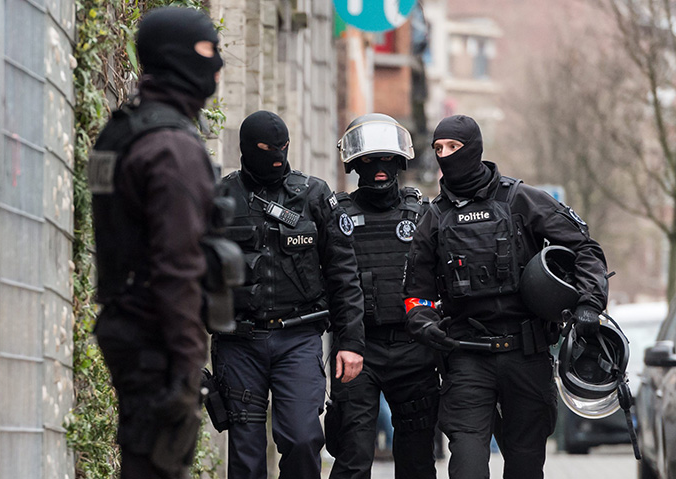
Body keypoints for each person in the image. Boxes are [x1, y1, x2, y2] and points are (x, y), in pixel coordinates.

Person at [403, 114, 609, 479]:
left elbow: (585, 248)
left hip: (526, 354)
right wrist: (423, 323)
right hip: (466, 357)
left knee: (525, 465)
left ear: (475, 149)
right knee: (466, 465)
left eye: (453, 147)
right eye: (438, 148)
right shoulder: (433, 218)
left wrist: (590, 304)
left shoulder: (522, 200)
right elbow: (416, 293)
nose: (445, 155)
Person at [87, 7, 225, 479]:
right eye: (209, 51)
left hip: (126, 323)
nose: (219, 66)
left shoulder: (122, 131)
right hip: (155, 336)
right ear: (179, 57)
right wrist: (189, 366)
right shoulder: (173, 147)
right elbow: (178, 265)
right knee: (157, 465)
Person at [214, 110, 365, 479]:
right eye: (267, 148)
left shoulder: (314, 195)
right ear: (247, 149)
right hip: (239, 341)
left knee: (301, 439)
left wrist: (351, 342)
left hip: (298, 338)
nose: (277, 156)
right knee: (245, 456)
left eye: (283, 148)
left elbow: (343, 272)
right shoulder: (220, 197)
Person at [326, 113, 439, 479]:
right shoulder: (338, 215)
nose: (378, 169)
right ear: (356, 164)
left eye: (387, 159)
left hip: (414, 350)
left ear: (401, 162)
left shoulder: (422, 213)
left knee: (417, 461)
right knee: (353, 456)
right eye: (370, 161)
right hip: (359, 350)